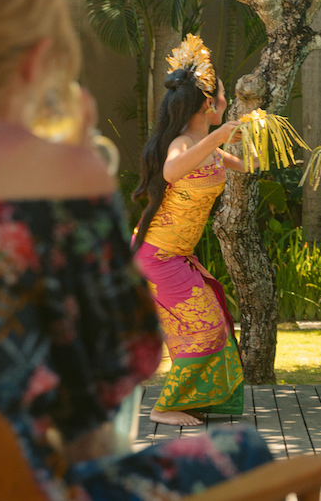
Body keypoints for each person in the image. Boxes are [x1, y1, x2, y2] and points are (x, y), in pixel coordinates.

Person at [0, 0, 273, 498]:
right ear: (37, 58)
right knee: (247, 451)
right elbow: (132, 357)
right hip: (41, 476)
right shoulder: (65, 171)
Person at [132, 34, 252, 427]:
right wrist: (218, 137)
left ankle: (195, 399)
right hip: (156, 258)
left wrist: (256, 132)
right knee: (202, 329)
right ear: (206, 103)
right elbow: (170, 171)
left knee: (213, 324)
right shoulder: (184, 143)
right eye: (220, 97)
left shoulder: (207, 147)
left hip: (176, 258)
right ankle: (165, 407)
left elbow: (249, 165)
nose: (224, 104)